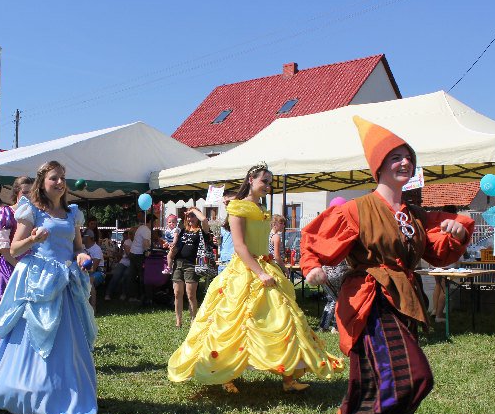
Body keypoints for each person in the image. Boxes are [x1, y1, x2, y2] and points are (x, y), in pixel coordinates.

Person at [300, 116, 473, 414]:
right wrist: (313, 266)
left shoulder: (413, 214)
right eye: (395, 157)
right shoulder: (357, 209)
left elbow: (440, 247)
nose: (404, 162)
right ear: (379, 165)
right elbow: (316, 238)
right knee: (412, 376)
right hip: (370, 299)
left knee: (375, 381)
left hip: (405, 299)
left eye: (408, 156)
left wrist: (457, 228)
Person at [168, 164, 341, 394]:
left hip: (266, 265)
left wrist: (270, 267)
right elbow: (240, 246)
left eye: (270, 182)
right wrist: (260, 273)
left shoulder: (262, 208)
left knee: (283, 318)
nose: (268, 186)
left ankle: (289, 377)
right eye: (264, 181)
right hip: (245, 270)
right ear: (251, 179)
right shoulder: (237, 207)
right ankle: (225, 374)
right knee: (232, 322)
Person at [0, 160, 98, 414]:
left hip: (65, 282)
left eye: (62, 177)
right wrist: (33, 239)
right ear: (42, 182)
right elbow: (14, 249)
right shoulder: (32, 211)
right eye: (54, 178)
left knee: (67, 340)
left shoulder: (71, 213)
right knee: (34, 336)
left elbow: (77, 247)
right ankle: (29, 389)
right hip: (39, 282)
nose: (60, 182)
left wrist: (82, 256)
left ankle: (64, 391)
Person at [0, 175, 34, 349]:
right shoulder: (6, 213)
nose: (29, 196)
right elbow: (3, 248)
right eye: (25, 192)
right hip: (11, 266)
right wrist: (18, 266)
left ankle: (26, 348)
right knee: (9, 307)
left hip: (32, 266)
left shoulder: (36, 213)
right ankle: (4, 348)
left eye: (32, 192)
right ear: (16, 192)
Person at [170, 207, 211, 328]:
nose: (190, 218)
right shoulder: (183, 230)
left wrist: (193, 210)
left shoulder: (202, 231)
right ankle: (178, 321)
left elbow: (204, 220)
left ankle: (193, 320)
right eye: (188, 216)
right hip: (178, 263)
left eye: (193, 216)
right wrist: (172, 249)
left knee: (191, 295)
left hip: (192, 265)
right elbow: (177, 246)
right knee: (177, 293)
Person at [430, 205, 459, 324]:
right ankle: (439, 315)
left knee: (438, 285)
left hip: (435, 260)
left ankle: (434, 310)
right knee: (444, 288)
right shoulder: (453, 226)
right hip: (447, 261)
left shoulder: (438, 225)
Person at [125, 212, 153, 302]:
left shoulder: (141, 228)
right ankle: (143, 296)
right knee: (142, 276)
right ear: (151, 221)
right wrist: (148, 252)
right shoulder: (147, 230)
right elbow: (145, 244)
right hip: (139, 255)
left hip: (133, 253)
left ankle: (132, 296)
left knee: (132, 275)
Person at [104, 229, 133, 301]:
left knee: (126, 274)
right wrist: (119, 251)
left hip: (132, 262)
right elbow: (123, 255)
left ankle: (123, 293)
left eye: (126, 236)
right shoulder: (126, 242)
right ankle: (108, 294)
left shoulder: (137, 242)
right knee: (116, 275)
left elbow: (127, 255)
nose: (125, 237)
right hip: (124, 261)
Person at [83, 230, 105, 311]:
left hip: (99, 272)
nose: (81, 237)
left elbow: (93, 269)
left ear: (89, 237)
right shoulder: (82, 247)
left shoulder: (96, 249)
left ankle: (93, 308)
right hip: (85, 271)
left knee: (89, 280)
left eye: (83, 235)